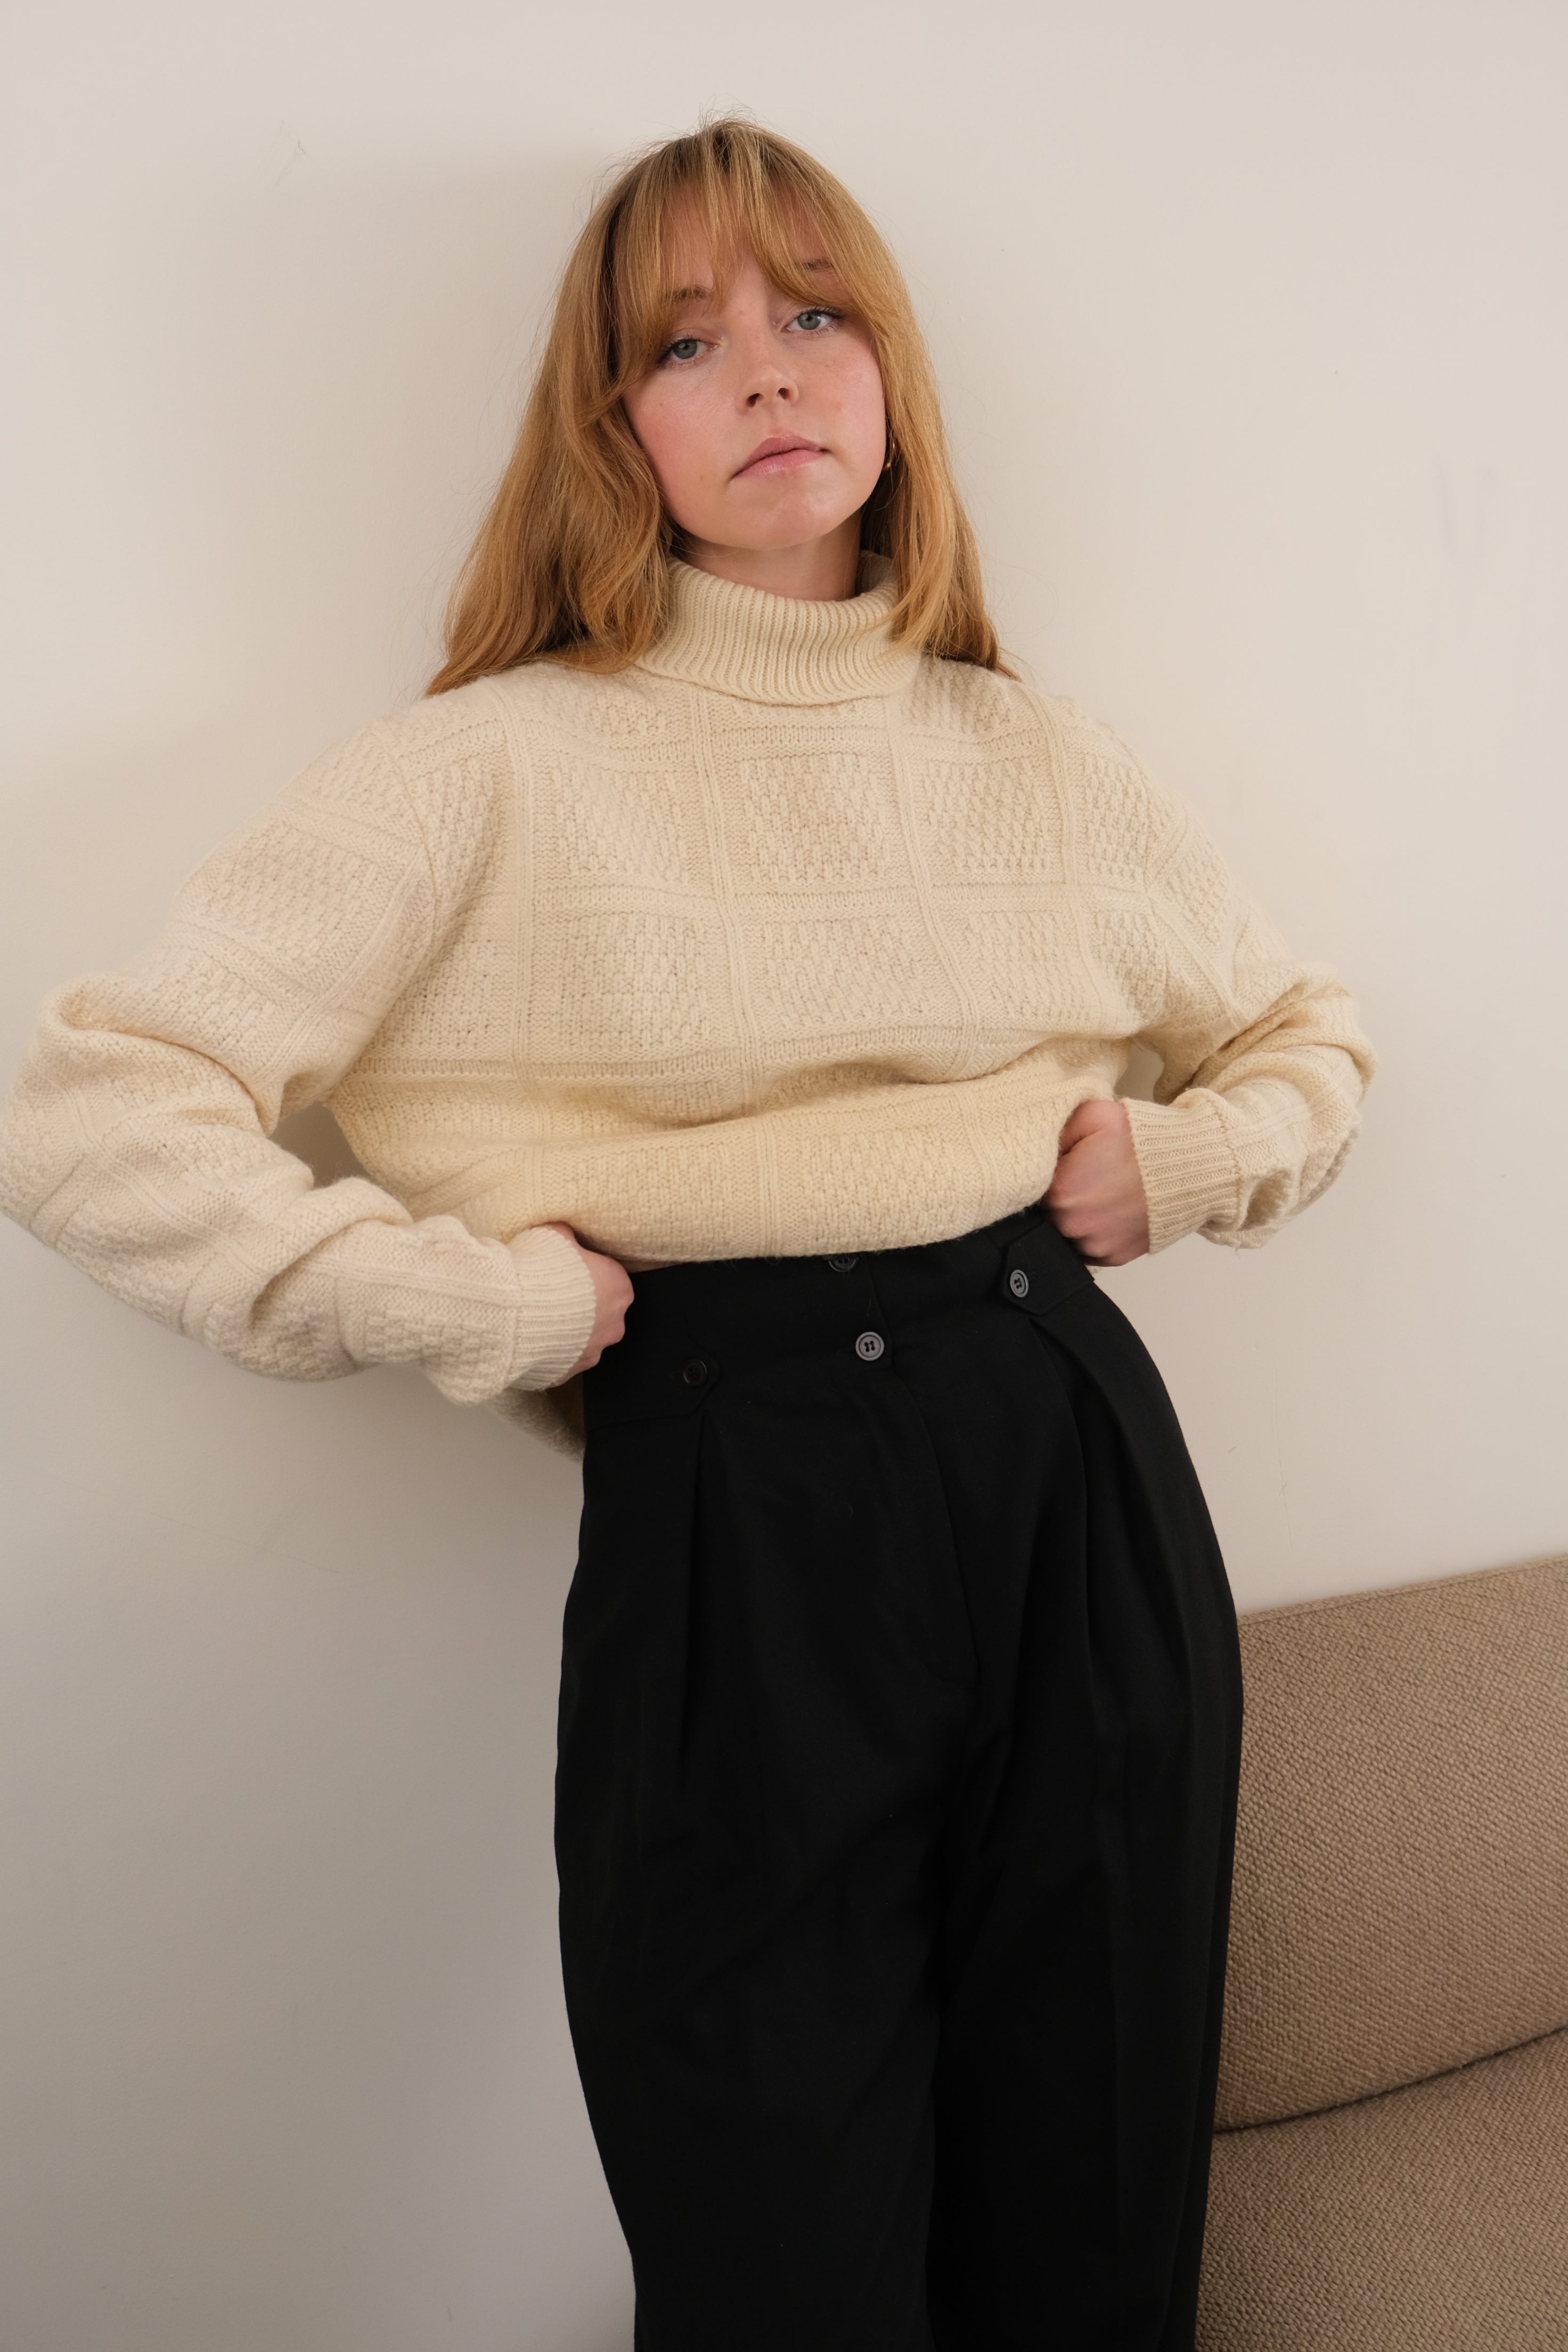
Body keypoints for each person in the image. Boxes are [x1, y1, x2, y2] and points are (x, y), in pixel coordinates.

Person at [0, 118, 1373, 2352]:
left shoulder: (1029, 753)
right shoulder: (483, 773)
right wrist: (453, 1298)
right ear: (611, 421)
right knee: (772, 2258)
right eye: (685, 339)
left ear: (892, 371)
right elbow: (87, 1106)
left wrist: (1196, 1162)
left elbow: (1308, 1034)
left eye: (817, 313)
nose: (769, 372)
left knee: (1092, 2226)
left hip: (1063, 1454)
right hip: (731, 1487)